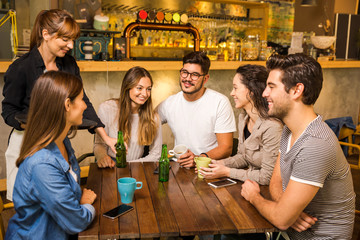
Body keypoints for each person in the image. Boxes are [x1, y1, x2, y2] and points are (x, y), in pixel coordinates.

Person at [1, 9, 116, 201]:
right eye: (65, 39)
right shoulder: (21, 68)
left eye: (72, 40)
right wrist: (41, 126)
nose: (71, 45)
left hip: (58, 141)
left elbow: (83, 100)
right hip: (26, 143)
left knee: (64, 198)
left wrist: (105, 137)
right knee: (30, 203)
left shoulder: (68, 64)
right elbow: (8, 111)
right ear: (45, 34)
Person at [241, 54, 355, 239]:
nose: (264, 94)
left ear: (296, 90)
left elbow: (281, 220)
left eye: (271, 87)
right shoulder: (290, 129)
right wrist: (286, 212)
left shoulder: (315, 144)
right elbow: (275, 182)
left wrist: (254, 196)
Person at [5, 71, 97, 240]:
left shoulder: (62, 142)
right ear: (67, 104)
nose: (85, 106)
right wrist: (85, 206)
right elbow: (75, 221)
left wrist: (77, 202)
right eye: (82, 100)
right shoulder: (42, 164)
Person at [198, 65, 282, 185]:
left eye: (235, 88)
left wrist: (227, 172)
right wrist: (217, 164)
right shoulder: (244, 117)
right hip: (250, 185)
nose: (232, 93)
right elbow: (243, 157)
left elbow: (267, 177)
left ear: (251, 91)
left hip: (270, 192)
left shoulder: (272, 126)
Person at [157, 51, 236, 168]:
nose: (187, 79)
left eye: (194, 75)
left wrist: (198, 159)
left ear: (205, 78)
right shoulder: (170, 103)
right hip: (181, 168)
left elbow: (226, 148)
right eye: (184, 73)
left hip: (210, 169)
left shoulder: (220, 102)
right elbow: (145, 121)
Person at [94, 66, 162, 168]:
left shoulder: (154, 117)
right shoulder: (107, 108)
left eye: (148, 89)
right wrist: (102, 156)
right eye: (139, 88)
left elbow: (156, 154)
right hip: (111, 165)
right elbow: (99, 144)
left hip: (138, 165)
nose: (145, 94)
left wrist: (131, 166)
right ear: (127, 87)